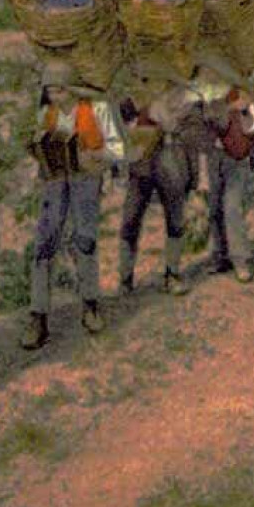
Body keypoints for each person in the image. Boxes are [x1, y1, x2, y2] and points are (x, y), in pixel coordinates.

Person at [21, 60, 126, 351]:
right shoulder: (46, 114)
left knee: (85, 240)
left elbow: (118, 149)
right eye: (51, 91)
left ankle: (91, 305)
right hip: (55, 180)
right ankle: (38, 314)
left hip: (85, 180)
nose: (55, 97)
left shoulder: (98, 110)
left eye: (60, 91)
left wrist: (92, 155)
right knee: (44, 243)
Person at [117, 62, 202, 298]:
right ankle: (125, 278)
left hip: (172, 160)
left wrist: (169, 124)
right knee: (130, 218)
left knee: (175, 219)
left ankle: (172, 273)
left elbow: (194, 136)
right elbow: (119, 119)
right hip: (142, 163)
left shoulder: (187, 100)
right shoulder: (136, 97)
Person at [196, 56, 254, 283]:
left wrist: (242, 110)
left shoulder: (240, 91)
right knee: (214, 208)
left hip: (236, 157)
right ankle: (220, 256)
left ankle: (240, 260)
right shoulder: (202, 94)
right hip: (213, 157)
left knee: (232, 207)